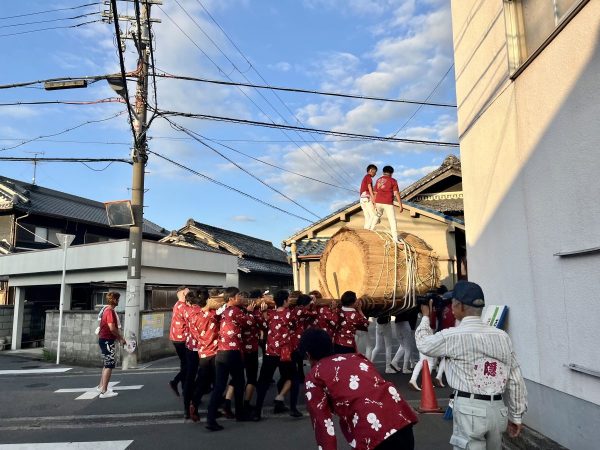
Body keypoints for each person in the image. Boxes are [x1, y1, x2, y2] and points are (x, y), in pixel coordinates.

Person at [415, 280, 528, 450]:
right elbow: (515, 378)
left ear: (459, 306)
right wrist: (516, 415)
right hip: (498, 410)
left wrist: (425, 317)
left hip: (469, 409)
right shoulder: (502, 336)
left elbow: (423, 344)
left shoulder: (452, 336)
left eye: (452, 303)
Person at [300, 328, 418, 450]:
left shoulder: (315, 376)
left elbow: (322, 424)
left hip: (372, 434)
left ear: (308, 355)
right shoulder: (357, 358)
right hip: (401, 422)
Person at [206, 287, 257, 431]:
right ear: (231, 299)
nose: (241, 298)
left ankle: (210, 419)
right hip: (233, 353)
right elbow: (249, 323)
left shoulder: (222, 311)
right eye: (238, 296)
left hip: (221, 352)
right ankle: (240, 414)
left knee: (219, 387)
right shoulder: (235, 311)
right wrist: (251, 312)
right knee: (239, 383)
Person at [252, 289, 296, 421]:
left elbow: (262, 325)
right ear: (285, 301)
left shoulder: (269, 314)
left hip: (270, 352)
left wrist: (264, 312)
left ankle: (257, 412)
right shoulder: (290, 314)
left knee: (263, 382)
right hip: (284, 353)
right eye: (288, 299)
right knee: (292, 378)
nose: (290, 301)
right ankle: (284, 400)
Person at [97, 292, 126, 398]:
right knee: (109, 365)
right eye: (117, 299)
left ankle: (101, 386)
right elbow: (112, 328)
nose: (118, 301)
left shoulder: (106, 309)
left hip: (104, 339)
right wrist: (121, 339)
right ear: (114, 300)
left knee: (106, 364)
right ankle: (104, 391)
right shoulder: (109, 311)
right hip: (107, 340)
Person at [371, 165, 403, 242]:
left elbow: (375, 192)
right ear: (392, 173)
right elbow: (396, 193)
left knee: (377, 216)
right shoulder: (393, 180)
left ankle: (371, 230)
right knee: (392, 220)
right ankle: (395, 239)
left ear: (383, 172)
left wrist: (374, 203)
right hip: (388, 202)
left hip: (378, 201)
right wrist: (400, 205)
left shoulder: (378, 180)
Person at [169, 286, 190, 397]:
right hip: (182, 338)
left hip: (177, 338)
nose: (190, 294)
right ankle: (176, 381)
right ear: (182, 293)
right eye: (188, 292)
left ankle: (183, 387)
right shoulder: (183, 307)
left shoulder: (177, 304)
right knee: (189, 365)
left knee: (184, 364)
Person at [359, 164, 378, 230]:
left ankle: (365, 229)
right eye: (375, 172)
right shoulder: (368, 177)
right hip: (367, 196)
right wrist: (373, 198)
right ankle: (369, 229)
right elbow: (369, 187)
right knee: (373, 215)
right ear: (371, 170)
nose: (375, 174)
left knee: (367, 215)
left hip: (362, 198)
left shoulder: (365, 177)